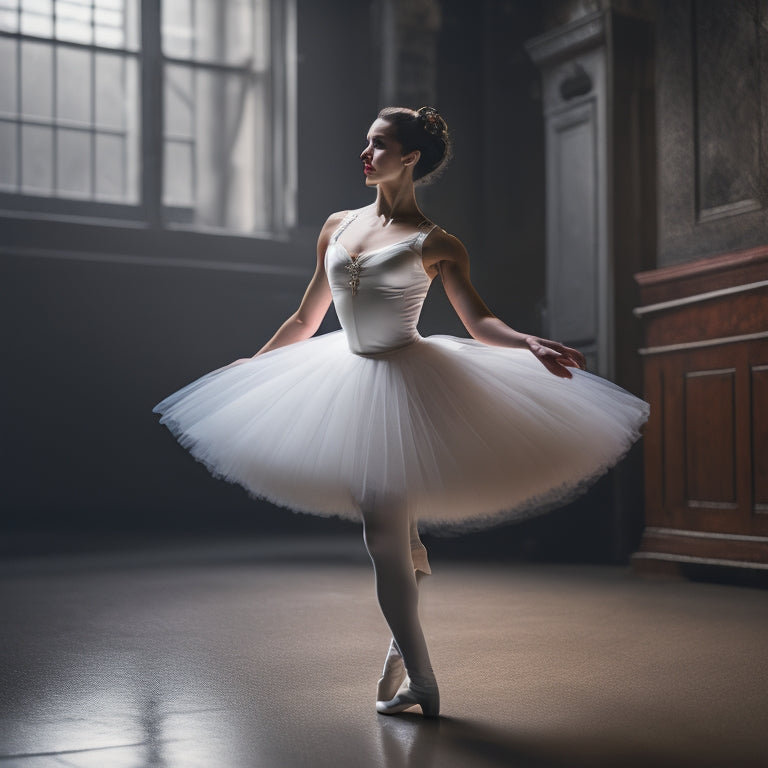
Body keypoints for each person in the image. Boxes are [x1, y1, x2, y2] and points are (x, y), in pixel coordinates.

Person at [153, 106, 649, 719]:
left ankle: (421, 676)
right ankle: (403, 643)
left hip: (408, 382)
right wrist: (254, 365)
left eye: (379, 145)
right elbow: (307, 319)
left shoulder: (437, 242)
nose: (365, 153)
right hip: (342, 377)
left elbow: (478, 320)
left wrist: (528, 341)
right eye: (366, 142)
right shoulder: (336, 225)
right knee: (395, 531)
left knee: (383, 531)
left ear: (410, 157)